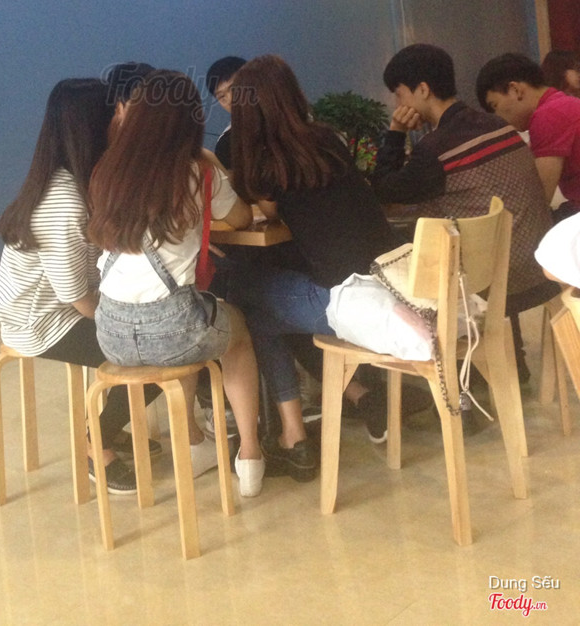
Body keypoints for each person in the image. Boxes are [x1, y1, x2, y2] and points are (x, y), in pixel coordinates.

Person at [88, 70, 266, 497]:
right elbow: (242, 217)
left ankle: (193, 443)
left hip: (110, 331)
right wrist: (212, 166)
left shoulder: (108, 171)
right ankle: (250, 454)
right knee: (234, 333)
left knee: (190, 329)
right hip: (173, 328)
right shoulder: (196, 172)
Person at [226, 55, 399, 473]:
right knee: (274, 309)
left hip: (345, 299)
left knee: (250, 309)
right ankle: (357, 396)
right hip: (388, 283)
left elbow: (265, 211)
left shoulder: (265, 161)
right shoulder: (327, 139)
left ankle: (293, 434)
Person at [0, 78, 160, 496]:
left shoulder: (81, 181)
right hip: (43, 323)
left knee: (156, 335)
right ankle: (95, 442)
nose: (123, 118)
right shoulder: (63, 198)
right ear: (94, 125)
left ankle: (105, 427)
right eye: (116, 112)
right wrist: (131, 321)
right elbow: (77, 298)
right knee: (159, 349)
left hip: (66, 309)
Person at [371, 45, 558, 381]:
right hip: (540, 264)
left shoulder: (436, 149)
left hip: (501, 281)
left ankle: (449, 369)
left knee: (401, 256)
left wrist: (396, 132)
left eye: (399, 94)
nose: (398, 105)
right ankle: (509, 362)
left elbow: (384, 190)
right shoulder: (496, 124)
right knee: (481, 240)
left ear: (422, 90)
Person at [476, 53, 580, 218]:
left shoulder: (548, 115)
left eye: (495, 105)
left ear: (515, 90)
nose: (498, 117)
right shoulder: (560, 103)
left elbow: (538, 199)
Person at [205, 56, 247, 169]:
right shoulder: (227, 144)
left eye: (234, 88)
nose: (230, 99)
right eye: (221, 96)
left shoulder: (285, 119)